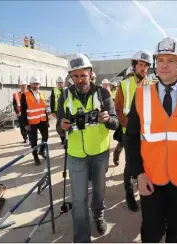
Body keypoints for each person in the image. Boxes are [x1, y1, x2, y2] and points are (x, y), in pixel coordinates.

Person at [127, 37, 177, 242]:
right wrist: (138, 173)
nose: (164, 64)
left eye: (171, 60)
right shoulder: (141, 94)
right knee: (151, 232)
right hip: (151, 179)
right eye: (160, 59)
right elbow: (131, 137)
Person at [58, 53, 118, 243]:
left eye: (82, 75)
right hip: (76, 155)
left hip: (99, 153)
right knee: (79, 199)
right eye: (75, 76)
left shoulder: (103, 93)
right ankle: (82, 238)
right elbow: (59, 126)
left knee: (99, 192)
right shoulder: (65, 96)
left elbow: (115, 123)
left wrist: (108, 119)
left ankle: (98, 215)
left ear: (90, 73)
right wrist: (62, 127)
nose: (79, 80)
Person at [114, 50, 151, 212]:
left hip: (147, 133)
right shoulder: (124, 85)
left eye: (146, 66)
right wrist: (130, 127)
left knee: (146, 163)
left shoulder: (151, 85)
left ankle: (144, 190)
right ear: (134, 66)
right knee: (130, 165)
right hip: (129, 133)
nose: (143, 68)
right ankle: (129, 194)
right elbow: (118, 110)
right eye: (140, 65)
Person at [21, 76, 49, 166]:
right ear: (30, 84)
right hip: (32, 122)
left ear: (39, 84)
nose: (36, 85)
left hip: (43, 120)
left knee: (46, 136)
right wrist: (25, 124)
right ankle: (35, 156)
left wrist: (47, 120)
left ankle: (41, 151)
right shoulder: (25, 95)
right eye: (34, 84)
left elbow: (44, 108)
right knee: (34, 140)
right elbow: (23, 111)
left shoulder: (42, 94)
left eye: (37, 84)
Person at [50, 76, 66, 145]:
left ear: (64, 83)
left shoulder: (67, 89)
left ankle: (66, 138)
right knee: (59, 126)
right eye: (59, 83)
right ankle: (62, 139)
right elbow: (52, 101)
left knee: (66, 124)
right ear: (57, 83)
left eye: (62, 83)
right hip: (58, 111)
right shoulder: (54, 90)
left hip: (66, 110)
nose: (60, 84)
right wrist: (53, 111)